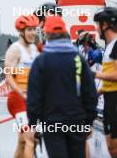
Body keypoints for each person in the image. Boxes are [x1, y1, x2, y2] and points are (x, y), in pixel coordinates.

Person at [26, 16, 98, 158]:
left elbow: (34, 96)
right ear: (65, 33)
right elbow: (90, 93)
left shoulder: (41, 61)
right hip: (76, 120)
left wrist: (33, 123)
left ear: (46, 34)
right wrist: (89, 121)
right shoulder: (78, 58)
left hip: (52, 121)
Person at [4, 14, 39, 158]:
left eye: (34, 29)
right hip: (17, 99)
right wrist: (21, 92)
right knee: (30, 138)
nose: (33, 33)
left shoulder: (35, 49)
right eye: (29, 30)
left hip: (31, 99)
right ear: (22, 32)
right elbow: (8, 76)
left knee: (23, 140)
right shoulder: (15, 49)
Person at [93, 7, 117, 157]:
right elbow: (109, 79)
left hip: (115, 100)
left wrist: (94, 74)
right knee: (112, 149)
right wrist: (93, 94)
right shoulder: (108, 47)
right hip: (108, 100)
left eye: (98, 25)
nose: (96, 29)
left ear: (106, 25)